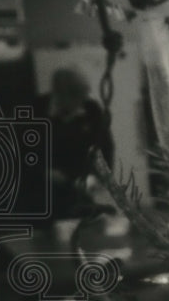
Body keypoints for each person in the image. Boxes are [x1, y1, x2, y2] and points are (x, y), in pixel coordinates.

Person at [36, 67, 114, 218]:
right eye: (77, 99)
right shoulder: (36, 110)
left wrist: (100, 177)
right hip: (46, 193)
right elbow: (24, 152)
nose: (81, 104)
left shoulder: (92, 109)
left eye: (83, 98)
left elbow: (106, 146)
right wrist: (42, 172)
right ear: (59, 95)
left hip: (83, 188)